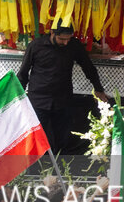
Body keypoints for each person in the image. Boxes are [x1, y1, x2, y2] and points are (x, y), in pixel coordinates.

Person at [17, 25, 109, 156]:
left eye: (68, 39)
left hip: (62, 98)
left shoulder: (73, 45)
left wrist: (98, 89)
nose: (65, 43)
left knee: (62, 138)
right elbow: (23, 73)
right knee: (37, 137)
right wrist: (18, 97)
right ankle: (37, 170)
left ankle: (60, 169)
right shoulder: (36, 45)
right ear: (52, 33)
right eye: (61, 39)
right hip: (38, 98)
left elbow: (88, 67)